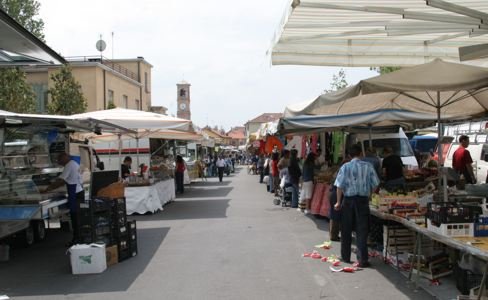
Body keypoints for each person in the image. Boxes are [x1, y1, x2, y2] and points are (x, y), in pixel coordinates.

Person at [334, 144, 379, 268]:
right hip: (362, 201)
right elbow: (375, 185)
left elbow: (339, 186)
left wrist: (338, 202)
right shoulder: (368, 166)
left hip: (348, 201)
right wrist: (369, 195)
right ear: (361, 154)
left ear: (349, 155)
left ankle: (345, 257)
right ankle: (362, 260)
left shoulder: (345, 167)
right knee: (362, 230)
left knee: (346, 229)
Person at [42, 153, 84, 246]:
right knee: (78, 218)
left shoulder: (69, 165)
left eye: (59, 160)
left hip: (75, 194)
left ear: (65, 158)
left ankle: (76, 240)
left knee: (75, 218)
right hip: (79, 192)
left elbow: (61, 181)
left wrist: (48, 189)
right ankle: (80, 239)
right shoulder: (74, 163)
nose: (59, 163)